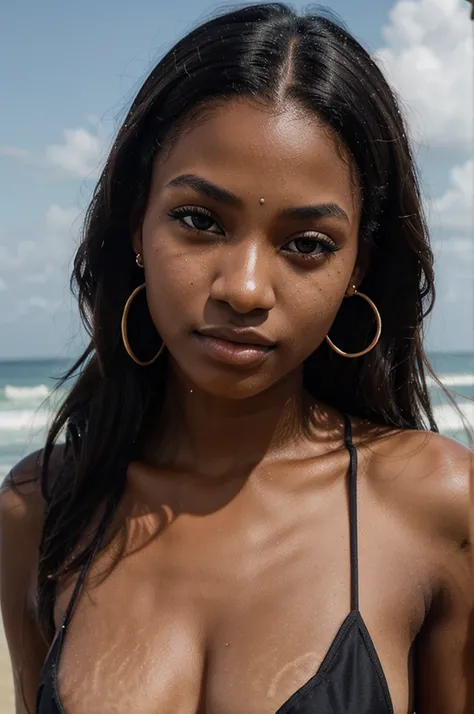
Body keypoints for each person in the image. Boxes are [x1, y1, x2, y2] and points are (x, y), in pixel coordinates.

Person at [1, 3, 473, 713]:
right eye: (199, 221)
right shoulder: (41, 510)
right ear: (137, 223)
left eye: (306, 243)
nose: (245, 289)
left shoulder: (437, 508)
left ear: (356, 268)